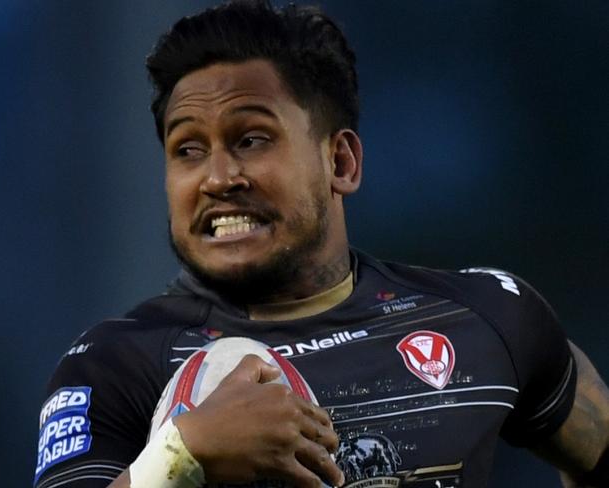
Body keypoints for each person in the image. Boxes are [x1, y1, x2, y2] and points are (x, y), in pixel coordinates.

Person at [33, 1, 609, 487]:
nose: (216, 177)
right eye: (188, 149)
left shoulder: (487, 317)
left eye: (251, 139)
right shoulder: (114, 366)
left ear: (341, 160)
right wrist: (184, 453)